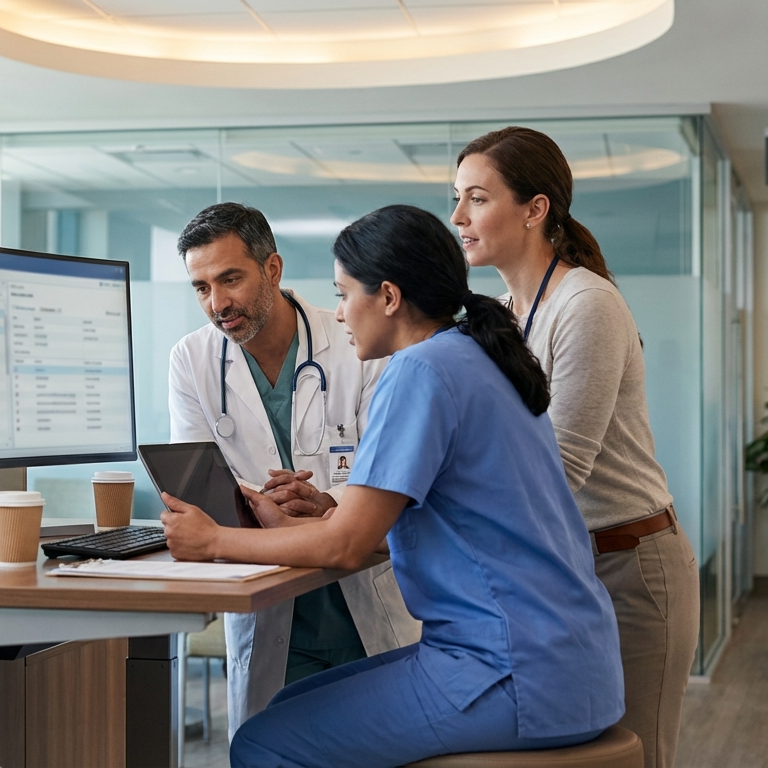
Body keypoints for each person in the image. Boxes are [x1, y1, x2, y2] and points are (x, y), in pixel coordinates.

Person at [162, 205, 624, 768]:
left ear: (387, 296)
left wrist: (213, 541)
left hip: (508, 670)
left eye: (342, 293)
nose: (337, 313)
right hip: (567, 662)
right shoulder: (476, 357)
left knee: (260, 741)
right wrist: (310, 523)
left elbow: (348, 545)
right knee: (289, 702)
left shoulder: (420, 372)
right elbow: (395, 529)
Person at [451, 126, 699, 768]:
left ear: (536, 209)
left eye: (476, 199)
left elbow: (560, 468)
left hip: (629, 566)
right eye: (458, 199)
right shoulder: (508, 309)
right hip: (563, 565)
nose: (458, 217)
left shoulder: (586, 304)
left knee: (638, 754)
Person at [167, 202, 419, 736]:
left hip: (366, 601)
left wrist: (329, 502)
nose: (217, 303)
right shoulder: (191, 360)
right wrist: (254, 504)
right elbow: (198, 487)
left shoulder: (361, 343)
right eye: (201, 287)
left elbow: (397, 480)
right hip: (271, 609)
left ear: (272, 269)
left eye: (230, 279)